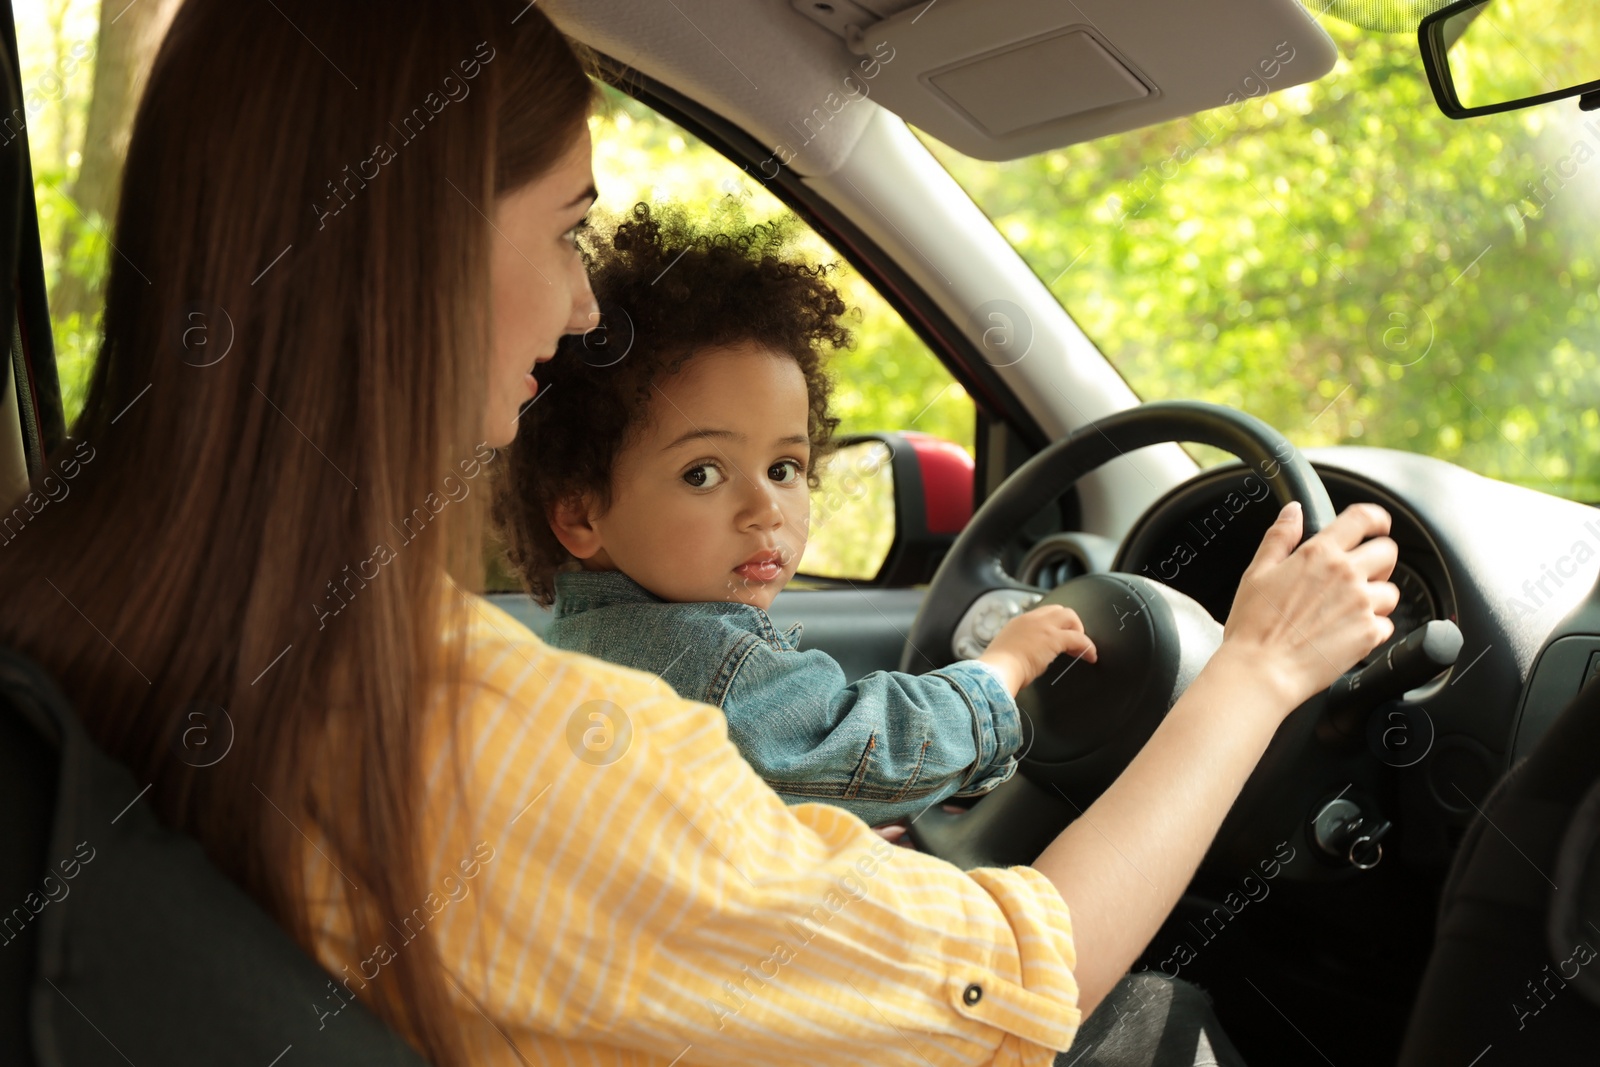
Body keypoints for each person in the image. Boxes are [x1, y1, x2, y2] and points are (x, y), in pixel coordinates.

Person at [0, 2, 1400, 1064]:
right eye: (564, 234)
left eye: (787, 466)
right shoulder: (510, 751)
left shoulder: (73, 619)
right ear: (412, 256)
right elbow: (1020, 970)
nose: (581, 309)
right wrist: (1256, 673)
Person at [492, 203, 1098, 827]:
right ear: (580, 513)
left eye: (785, 469)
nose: (765, 511)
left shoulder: (585, 641)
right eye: (702, 473)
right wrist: (1005, 667)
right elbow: (876, 753)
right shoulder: (703, 665)